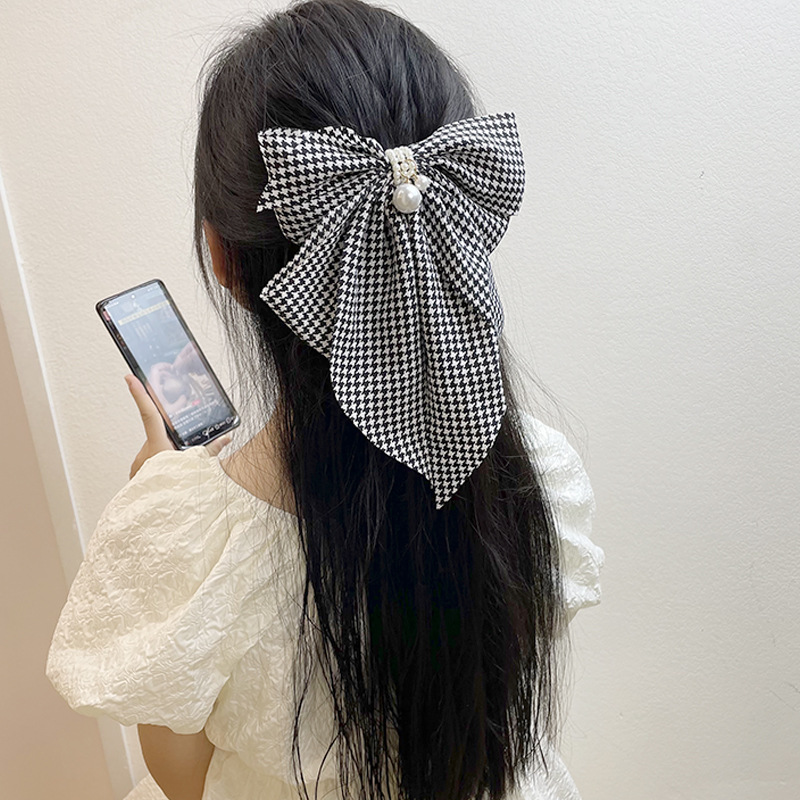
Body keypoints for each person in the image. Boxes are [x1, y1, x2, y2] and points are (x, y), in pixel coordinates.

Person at [46, 2, 604, 800]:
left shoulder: (185, 533)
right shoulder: (540, 475)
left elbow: (182, 778)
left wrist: (157, 499)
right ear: (466, 225)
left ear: (222, 258)